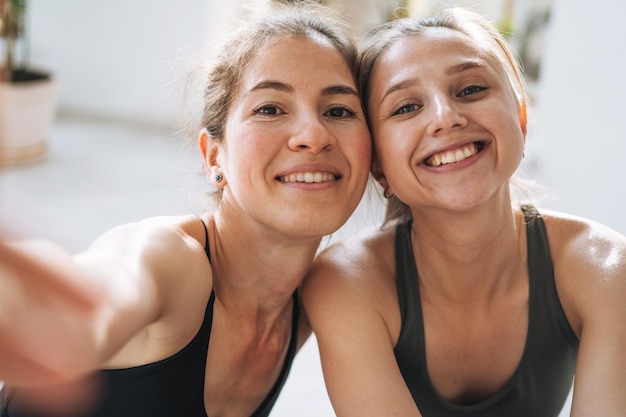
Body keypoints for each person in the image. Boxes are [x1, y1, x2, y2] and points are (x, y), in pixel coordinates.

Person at [0, 2, 372, 416]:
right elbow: (112, 287)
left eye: (339, 111)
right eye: (270, 108)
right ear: (213, 157)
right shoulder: (171, 260)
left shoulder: (307, 301)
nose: (313, 135)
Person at [302, 7, 626, 417]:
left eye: (470, 89)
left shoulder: (605, 268)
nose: (446, 117)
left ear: (521, 119)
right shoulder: (347, 281)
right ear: (378, 165)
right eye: (405, 107)